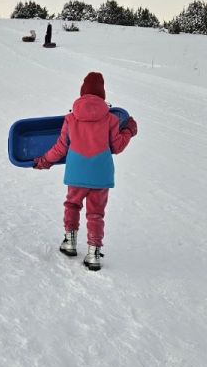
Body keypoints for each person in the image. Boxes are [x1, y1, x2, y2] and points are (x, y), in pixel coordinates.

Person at [32, 72, 137, 270]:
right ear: (102, 96)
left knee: (72, 205)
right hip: (101, 174)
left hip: (77, 173)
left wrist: (44, 161)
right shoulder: (111, 119)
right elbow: (117, 146)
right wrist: (129, 130)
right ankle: (93, 253)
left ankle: (70, 242)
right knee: (96, 214)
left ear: (82, 94)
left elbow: (60, 148)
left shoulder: (71, 119)